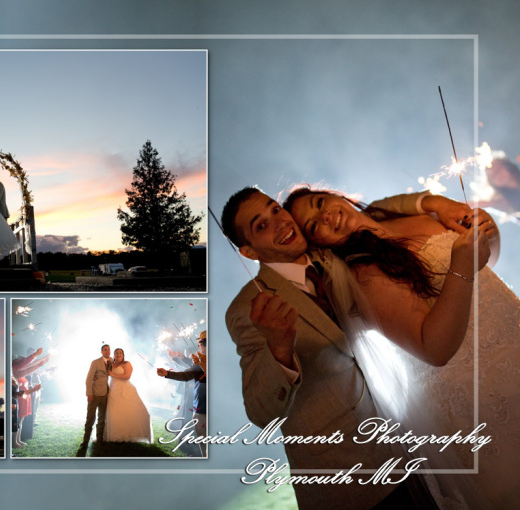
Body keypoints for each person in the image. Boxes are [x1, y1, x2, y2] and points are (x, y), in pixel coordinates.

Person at [285, 187, 516, 508]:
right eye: (314, 226)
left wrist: (488, 233)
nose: (325, 215)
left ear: (338, 197)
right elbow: (433, 348)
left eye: (319, 202)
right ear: (319, 244)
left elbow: (483, 268)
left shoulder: (411, 214)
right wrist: (462, 265)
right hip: (480, 394)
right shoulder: (366, 272)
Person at [221, 187, 438, 509]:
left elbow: (364, 213)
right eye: (261, 225)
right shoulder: (247, 308)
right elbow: (261, 412)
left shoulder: (330, 248)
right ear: (249, 251)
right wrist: (279, 350)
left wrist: (431, 202)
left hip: (409, 443)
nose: (280, 222)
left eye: (275, 209)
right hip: (344, 477)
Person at [158, 330, 207, 456]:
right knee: (203, 442)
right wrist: (167, 373)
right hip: (200, 407)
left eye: (202, 344)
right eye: (201, 344)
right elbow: (186, 375)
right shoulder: (198, 362)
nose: (199, 346)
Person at [103, 348, 152, 443]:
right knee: (113, 412)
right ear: (114, 355)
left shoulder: (127, 364)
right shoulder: (111, 364)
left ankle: (129, 434)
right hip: (113, 390)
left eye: (120, 353)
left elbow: (127, 376)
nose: (118, 354)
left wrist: (112, 374)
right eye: (116, 353)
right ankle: (114, 435)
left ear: (123, 355)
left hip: (126, 390)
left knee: (130, 412)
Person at [80, 344, 112, 450]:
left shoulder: (112, 361)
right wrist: (89, 393)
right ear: (101, 352)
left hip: (105, 394)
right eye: (105, 350)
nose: (107, 351)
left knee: (102, 419)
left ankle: (99, 440)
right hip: (94, 394)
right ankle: (85, 441)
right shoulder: (95, 362)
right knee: (90, 418)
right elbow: (88, 379)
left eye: (109, 350)